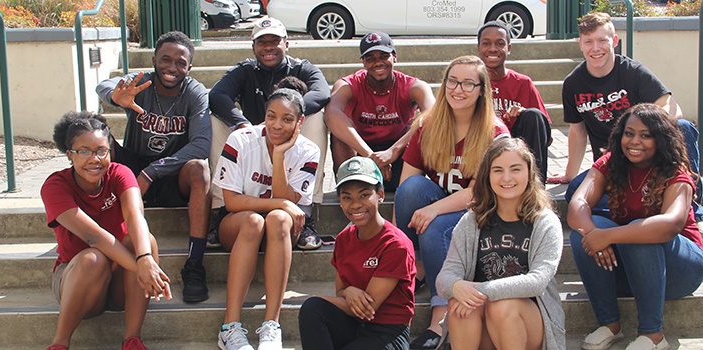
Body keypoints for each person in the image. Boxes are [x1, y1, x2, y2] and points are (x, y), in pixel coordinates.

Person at [548, 12, 703, 241]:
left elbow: (672, 107)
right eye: (588, 42)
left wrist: (647, 136)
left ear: (614, 41)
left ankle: (693, 214)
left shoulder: (633, 71)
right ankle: (635, 215)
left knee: (684, 127)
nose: (595, 48)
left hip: (648, 159)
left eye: (602, 41)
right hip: (613, 166)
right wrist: (569, 174)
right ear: (580, 45)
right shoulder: (573, 83)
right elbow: (578, 132)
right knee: (574, 193)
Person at [568, 103, 703, 350]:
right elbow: (578, 203)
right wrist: (593, 235)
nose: (635, 141)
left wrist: (608, 236)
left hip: (680, 271)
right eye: (629, 133)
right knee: (585, 232)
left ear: (661, 139)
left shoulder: (675, 172)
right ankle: (609, 325)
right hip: (633, 271)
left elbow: (671, 224)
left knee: (638, 233)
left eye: (646, 135)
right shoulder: (612, 162)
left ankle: (653, 335)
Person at [394, 55, 510, 349]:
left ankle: (440, 317)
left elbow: (479, 194)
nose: (458, 89)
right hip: (441, 203)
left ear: (482, 89)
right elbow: (407, 184)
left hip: (482, 215)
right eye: (452, 81)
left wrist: (433, 210)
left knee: (436, 228)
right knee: (410, 190)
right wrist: (394, 244)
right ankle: (414, 268)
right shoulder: (430, 125)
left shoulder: (494, 131)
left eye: (468, 83)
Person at [96, 31, 213, 302]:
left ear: (189, 67)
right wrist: (116, 98)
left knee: (200, 169)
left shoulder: (194, 92)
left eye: (180, 62)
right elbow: (103, 84)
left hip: (171, 172)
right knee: (97, 133)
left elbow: (200, 146)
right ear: (153, 60)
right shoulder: (140, 83)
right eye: (165, 59)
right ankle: (102, 234)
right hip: (131, 167)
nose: (172, 67)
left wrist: (152, 171)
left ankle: (194, 265)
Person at [42, 111, 171, 350]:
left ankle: (132, 340)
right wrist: (143, 267)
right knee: (94, 258)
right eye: (84, 151)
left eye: (102, 150)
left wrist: (144, 258)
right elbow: (94, 237)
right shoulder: (55, 186)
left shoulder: (120, 173)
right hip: (79, 279)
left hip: (121, 279)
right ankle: (59, 343)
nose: (94, 159)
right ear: (69, 155)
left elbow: (135, 216)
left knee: (144, 241)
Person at [212, 79, 320, 350]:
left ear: (300, 122)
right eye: (271, 116)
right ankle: (230, 327)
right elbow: (232, 201)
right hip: (238, 226)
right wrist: (279, 204)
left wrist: (280, 155)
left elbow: (289, 204)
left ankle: (271, 326)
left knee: (280, 218)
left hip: (279, 231)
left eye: (286, 119)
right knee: (253, 220)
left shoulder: (308, 151)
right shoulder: (240, 139)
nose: (276, 125)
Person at [209, 17, 331, 249]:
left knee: (316, 119)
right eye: (261, 42)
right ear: (253, 46)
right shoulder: (245, 70)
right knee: (215, 121)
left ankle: (306, 213)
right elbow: (217, 95)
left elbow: (322, 92)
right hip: (252, 137)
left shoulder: (301, 67)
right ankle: (220, 210)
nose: (268, 47)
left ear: (286, 43)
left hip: (289, 136)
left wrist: (287, 114)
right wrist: (240, 122)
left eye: (274, 41)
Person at [436, 137, 565, 350]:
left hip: (528, 324)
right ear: (487, 176)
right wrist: (456, 286)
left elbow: (537, 281)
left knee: (501, 306)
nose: (507, 178)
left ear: (529, 173)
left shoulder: (545, 222)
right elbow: (444, 278)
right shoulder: (472, 221)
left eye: (515, 169)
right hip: (483, 322)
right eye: (497, 170)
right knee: (459, 304)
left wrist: (481, 291)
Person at [299, 156, 416, 350]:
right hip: (354, 325)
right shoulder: (344, 239)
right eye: (347, 198)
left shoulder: (396, 244)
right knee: (313, 310)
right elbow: (341, 293)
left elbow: (367, 308)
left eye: (364, 195)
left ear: (379, 195)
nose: (355, 205)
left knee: (313, 304)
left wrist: (348, 293)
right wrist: (349, 291)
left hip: (388, 332)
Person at [324, 31, 435, 191]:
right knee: (339, 133)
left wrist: (393, 151)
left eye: (384, 56)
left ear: (394, 56)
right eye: (371, 59)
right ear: (363, 62)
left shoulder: (414, 86)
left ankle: (410, 191)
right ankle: (349, 189)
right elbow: (331, 115)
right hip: (361, 153)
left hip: (399, 154)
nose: (378, 63)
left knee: (422, 126)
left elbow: (433, 115)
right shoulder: (348, 84)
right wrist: (371, 157)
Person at [477, 21, 552, 182]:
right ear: (478, 49)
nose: (492, 48)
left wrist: (523, 114)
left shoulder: (523, 83)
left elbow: (547, 138)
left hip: (517, 148)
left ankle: (535, 190)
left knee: (533, 115)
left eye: (500, 43)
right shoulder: (471, 82)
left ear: (509, 49)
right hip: (481, 149)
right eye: (486, 43)